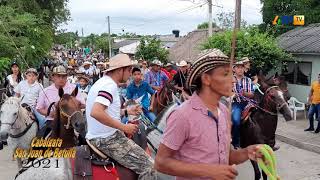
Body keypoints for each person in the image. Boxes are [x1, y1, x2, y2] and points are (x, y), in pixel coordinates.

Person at [155, 49, 262, 180]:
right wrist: (208, 171)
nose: (233, 81)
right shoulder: (182, 115)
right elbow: (161, 162)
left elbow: (226, 156)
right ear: (206, 79)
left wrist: (247, 152)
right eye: (225, 74)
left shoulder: (224, 111)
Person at [86, 54, 157, 179]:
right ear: (120, 70)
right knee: (151, 167)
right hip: (107, 139)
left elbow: (106, 111)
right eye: (129, 70)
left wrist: (126, 111)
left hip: (101, 135)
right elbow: (96, 112)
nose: (130, 73)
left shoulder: (104, 82)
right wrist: (124, 127)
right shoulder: (109, 85)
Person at [232, 61, 254, 148]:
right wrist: (234, 95)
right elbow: (226, 92)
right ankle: (236, 142)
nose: (240, 69)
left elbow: (252, 94)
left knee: (259, 117)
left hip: (248, 103)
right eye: (238, 67)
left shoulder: (248, 80)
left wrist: (244, 93)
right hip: (236, 103)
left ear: (244, 69)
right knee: (236, 121)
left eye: (242, 67)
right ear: (234, 69)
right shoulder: (230, 79)